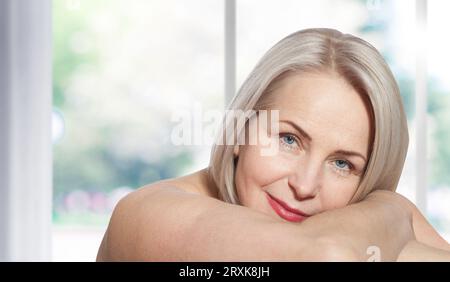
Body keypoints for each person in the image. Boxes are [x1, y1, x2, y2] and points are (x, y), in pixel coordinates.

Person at [96, 28, 450, 261]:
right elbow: (324, 256)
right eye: (288, 139)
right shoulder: (146, 214)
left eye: (343, 164)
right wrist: (394, 210)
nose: (305, 185)